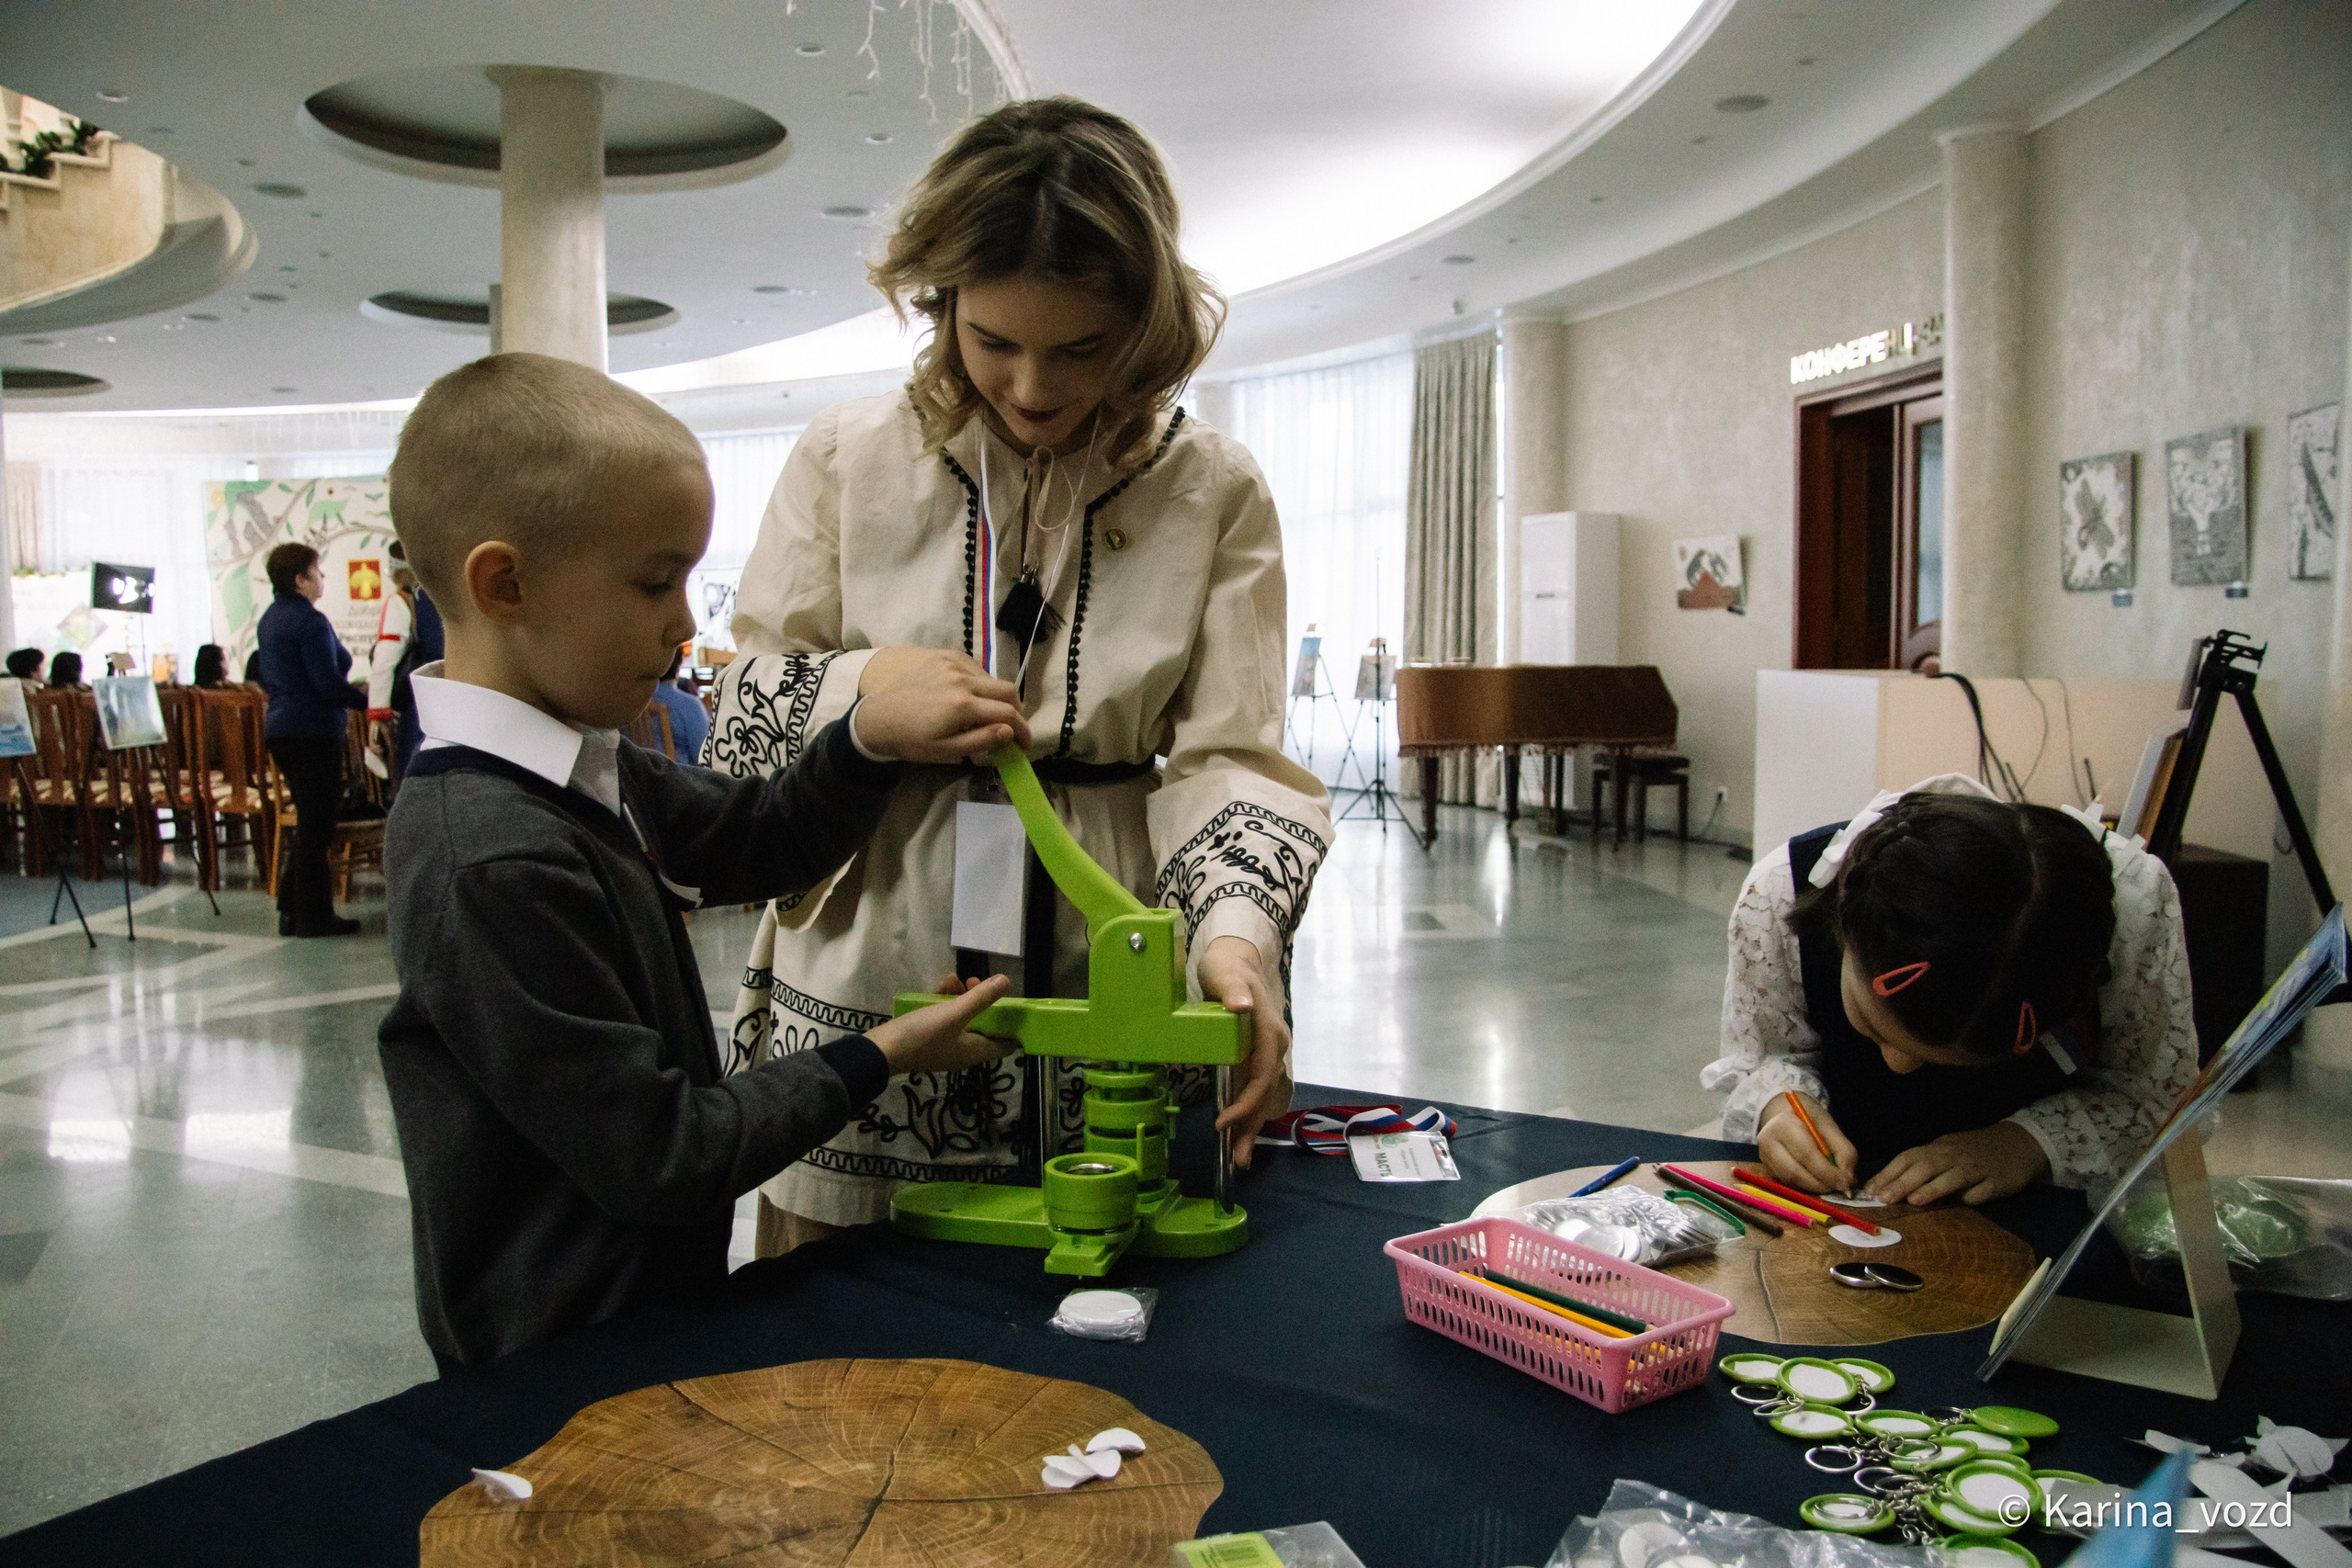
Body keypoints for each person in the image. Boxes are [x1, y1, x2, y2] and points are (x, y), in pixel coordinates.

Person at [707, 96, 1332, 1253]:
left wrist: (1237, 936)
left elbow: (1230, 758)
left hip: (1118, 956)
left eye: (1081, 349)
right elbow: (741, 723)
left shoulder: (1214, 489)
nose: (1034, 387)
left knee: (1101, 1317)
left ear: (1143, 324)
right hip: (878, 934)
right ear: (937, 304)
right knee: (839, 1360)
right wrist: (867, 703)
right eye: (993, 341)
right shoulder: (848, 458)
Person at [375, 351, 1030, 1370]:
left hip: (647, 1311)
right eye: (654, 583)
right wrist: (880, 1057)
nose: (687, 626)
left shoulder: (587, 765)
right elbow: (661, 1153)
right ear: (503, 583)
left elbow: (758, 839)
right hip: (557, 1356)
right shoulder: (489, 858)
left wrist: (864, 737)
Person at [1702, 775, 2199, 1206]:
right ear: (1845, 923)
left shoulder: (2132, 912)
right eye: (1874, 1026)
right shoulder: (1783, 892)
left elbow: (2156, 1097)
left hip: (2036, 1220)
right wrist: (1779, 1102)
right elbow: (1761, 1056)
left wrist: (2028, 1144)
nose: (1898, 1065)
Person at [255, 541, 368, 936]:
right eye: (318, 572)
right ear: (301, 578)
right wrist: (369, 702)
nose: (323, 579)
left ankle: (292, 907)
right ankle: (313, 917)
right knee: (318, 825)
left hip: (282, 730)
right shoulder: (310, 622)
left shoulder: (269, 619)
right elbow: (327, 684)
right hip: (313, 731)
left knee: (310, 823)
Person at [368, 539, 444, 782]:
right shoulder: (441, 595)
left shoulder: (401, 601)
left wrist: (377, 713)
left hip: (418, 701)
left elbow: (386, 657)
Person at [649, 648, 708, 761]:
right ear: (679, 664)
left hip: (638, 776)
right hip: (680, 776)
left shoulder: (634, 706)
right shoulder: (689, 705)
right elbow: (703, 756)